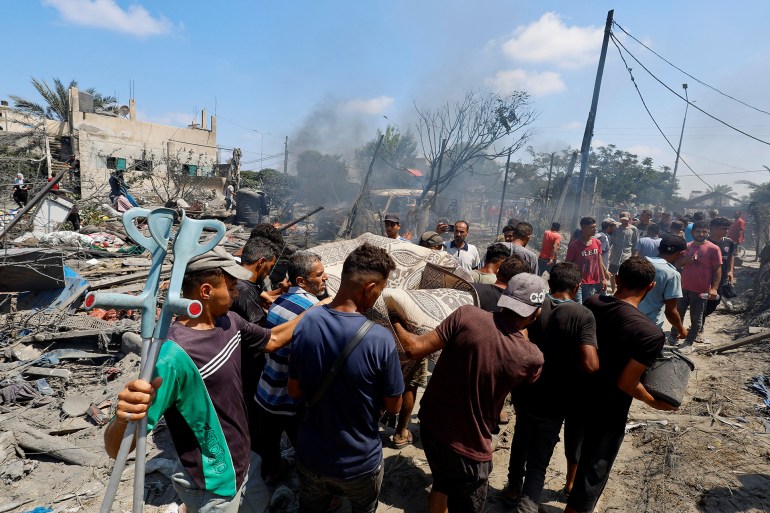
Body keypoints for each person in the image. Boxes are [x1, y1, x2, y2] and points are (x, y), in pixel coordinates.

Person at [105, 247, 308, 513]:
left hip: (245, 461)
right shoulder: (173, 356)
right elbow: (117, 448)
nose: (237, 293)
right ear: (206, 292)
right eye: (232, 287)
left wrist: (321, 309)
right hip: (212, 483)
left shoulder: (229, 322)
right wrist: (123, 417)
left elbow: (274, 339)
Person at [394, 273, 546, 513]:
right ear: (536, 313)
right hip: (470, 447)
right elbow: (525, 375)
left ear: (503, 298)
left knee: (441, 483)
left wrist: (394, 319)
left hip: (432, 427)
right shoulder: (532, 357)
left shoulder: (467, 315)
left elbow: (415, 349)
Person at [288, 243, 403, 513]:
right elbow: (394, 406)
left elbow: (294, 391)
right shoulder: (381, 339)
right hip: (359, 464)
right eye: (381, 291)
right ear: (370, 288)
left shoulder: (307, 321)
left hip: (311, 457)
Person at [565, 257, 677, 513]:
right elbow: (628, 382)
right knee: (594, 469)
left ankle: (569, 483)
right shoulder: (649, 333)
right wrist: (654, 401)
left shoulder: (593, 302)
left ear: (617, 279)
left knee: (576, 444)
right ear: (650, 287)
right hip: (610, 408)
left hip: (579, 392)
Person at [504, 262, 599, 512]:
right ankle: (527, 506)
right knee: (539, 459)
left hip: (525, 389)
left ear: (550, 283)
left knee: (521, 437)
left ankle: (513, 488)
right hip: (556, 398)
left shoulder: (533, 305)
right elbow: (590, 364)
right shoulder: (582, 315)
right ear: (577, 286)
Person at [253, 251, 328, 485]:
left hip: (266, 391)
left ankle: (271, 473)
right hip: (290, 397)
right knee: (306, 446)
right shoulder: (315, 310)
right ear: (301, 282)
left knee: (269, 442)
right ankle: (315, 486)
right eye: (320, 274)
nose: (326, 278)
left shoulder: (280, 301)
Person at [674, 220, 721, 351]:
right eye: (698, 231)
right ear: (692, 232)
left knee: (696, 317)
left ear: (708, 232)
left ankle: (689, 342)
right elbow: (678, 264)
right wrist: (686, 260)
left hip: (701, 289)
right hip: (683, 287)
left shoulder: (713, 248)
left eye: (704, 231)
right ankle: (673, 336)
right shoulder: (687, 246)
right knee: (678, 313)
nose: (701, 234)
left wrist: (714, 288)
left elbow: (717, 269)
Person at [638, 234, 688, 341]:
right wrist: (681, 329)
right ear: (681, 253)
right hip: (648, 326)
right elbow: (671, 311)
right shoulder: (671, 274)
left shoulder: (638, 263)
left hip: (625, 318)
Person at [566, 217, 609, 304]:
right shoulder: (574, 246)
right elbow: (567, 264)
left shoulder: (597, 242)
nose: (595, 229)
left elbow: (599, 260)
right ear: (584, 228)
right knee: (578, 306)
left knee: (588, 305)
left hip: (593, 282)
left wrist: (603, 278)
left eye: (595, 226)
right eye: (592, 227)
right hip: (578, 282)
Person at [702, 217, 735, 328]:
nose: (726, 231)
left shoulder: (728, 242)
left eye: (727, 228)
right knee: (701, 303)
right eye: (723, 228)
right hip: (704, 278)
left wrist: (730, 271)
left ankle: (697, 322)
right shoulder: (704, 242)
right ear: (712, 228)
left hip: (720, 279)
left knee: (714, 302)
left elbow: (731, 256)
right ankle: (697, 326)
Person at [608, 212, 638, 293]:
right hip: (615, 254)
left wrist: (634, 256)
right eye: (622, 220)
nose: (624, 222)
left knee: (623, 274)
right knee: (612, 274)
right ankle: (613, 291)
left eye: (626, 220)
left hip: (627, 254)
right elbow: (611, 241)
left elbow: (635, 244)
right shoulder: (616, 228)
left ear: (629, 219)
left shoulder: (633, 229)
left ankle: (620, 290)